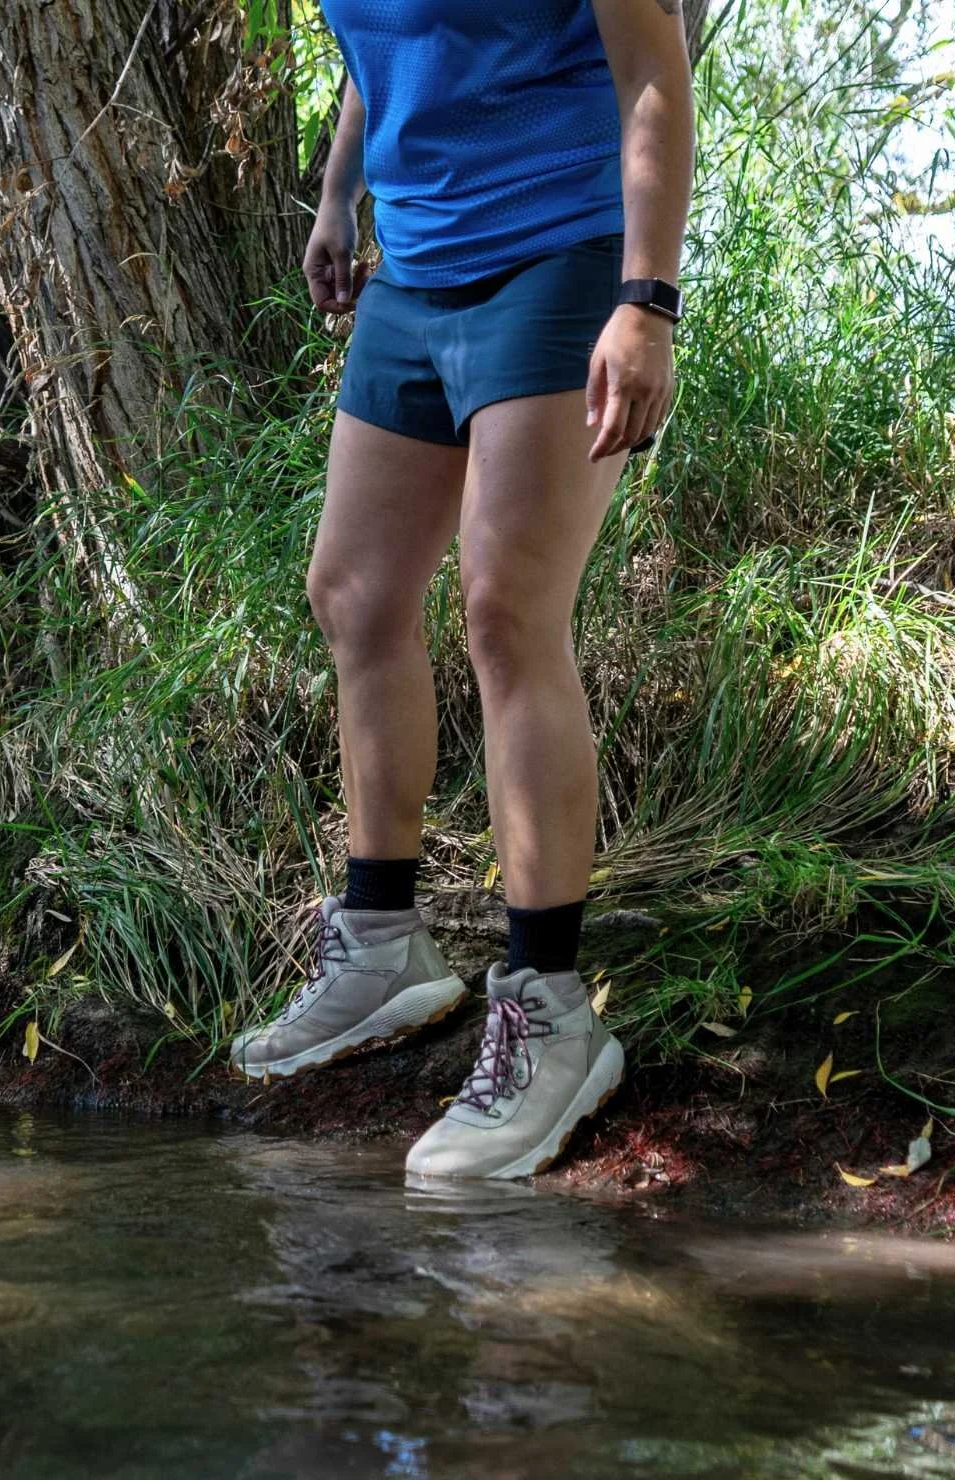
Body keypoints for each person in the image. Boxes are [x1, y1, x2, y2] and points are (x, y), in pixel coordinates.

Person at [231, 0, 696, 1181]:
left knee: (506, 609)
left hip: (559, 254)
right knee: (353, 592)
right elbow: (383, 51)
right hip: (415, 271)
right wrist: (339, 196)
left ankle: (550, 1012)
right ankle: (383, 944)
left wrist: (647, 302)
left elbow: (650, 67)